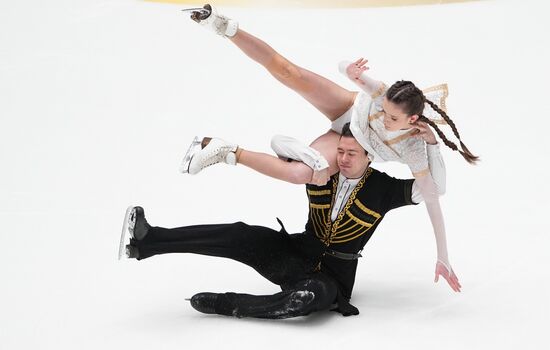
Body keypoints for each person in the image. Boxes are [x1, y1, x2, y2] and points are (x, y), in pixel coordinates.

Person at [179, 3, 478, 284]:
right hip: (346, 110)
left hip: (349, 142)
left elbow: (434, 196)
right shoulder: (383, 95)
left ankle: (224, 150)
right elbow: (344, 66)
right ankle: (222, 25)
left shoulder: (414, 148)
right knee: (289, 73)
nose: (383, 119)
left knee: (299, 174)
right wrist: (350, 70)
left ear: (413, 121)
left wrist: (443, 256)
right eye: (383, 110)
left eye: (392, 119)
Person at [119, 123, 460, 320]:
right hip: (295, 252)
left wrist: (431, 145)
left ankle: (230, 303)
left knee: (309, 297)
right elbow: (278, 142)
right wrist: (311, 156)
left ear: (370, 156)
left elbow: (437, 188)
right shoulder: (321, 169)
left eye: (351, 154)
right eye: (340, 150)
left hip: (333, 279)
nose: (342, 158)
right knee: (241, 235)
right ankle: (149, 241)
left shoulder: (385, 188)